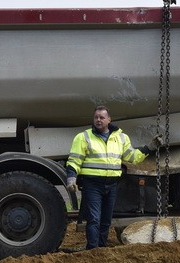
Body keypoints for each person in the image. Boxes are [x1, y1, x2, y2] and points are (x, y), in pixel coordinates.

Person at [65, 106, 161, 249]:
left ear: (109, 120)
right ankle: (92, 249)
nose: (98, 120)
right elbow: (74, 160)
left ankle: (102, 249)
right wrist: (71, 177)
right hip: (92, 185)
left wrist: (150, 147)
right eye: (96, 117)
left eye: (102, 117)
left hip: (112, 185)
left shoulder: (121, 138)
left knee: (106, 221)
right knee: (94, 219)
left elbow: (132, 157)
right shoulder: (83, 137)